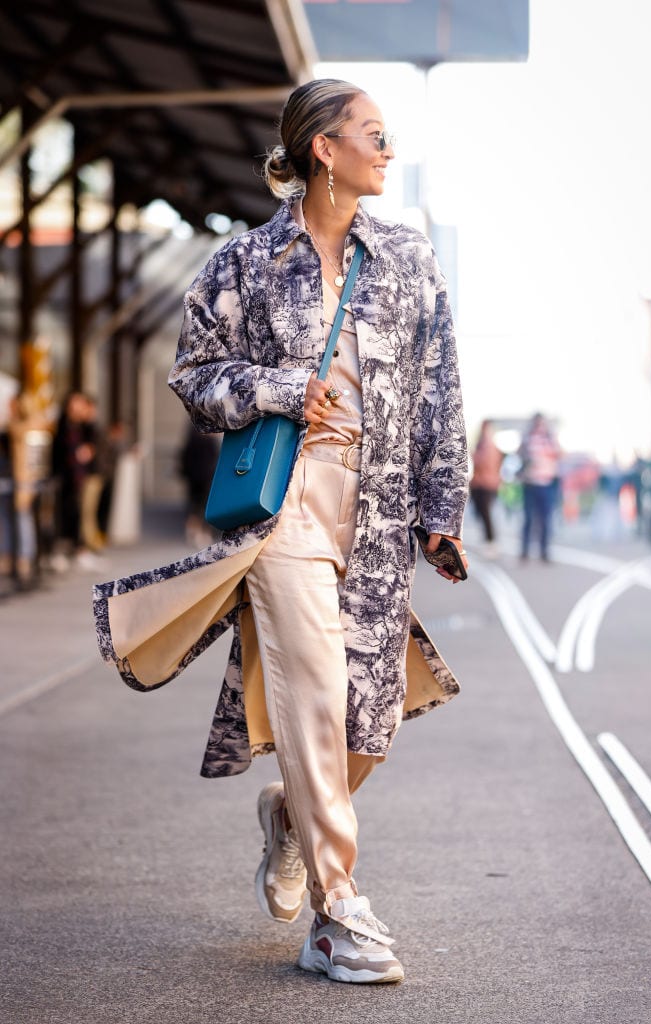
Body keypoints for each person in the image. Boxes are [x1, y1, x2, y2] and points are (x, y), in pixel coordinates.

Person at [93, 79, 468, 985]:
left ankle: (290, 820)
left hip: (376, 511)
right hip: (287, 500)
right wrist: (278, 389)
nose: (388, 150)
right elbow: (195, 375)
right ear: (322, 151)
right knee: (313, 689)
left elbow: (440, 391)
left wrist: (440, 508)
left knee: (367, 724)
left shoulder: (411, 261)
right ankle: (341, 913)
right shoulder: (245, 263)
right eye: (372, 135)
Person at [518, 412, 562, 561]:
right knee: (529, 518)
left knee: (545, 519)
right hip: (530, 483)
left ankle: (544, 550)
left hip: (546, 483)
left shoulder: (550, 439)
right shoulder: (527, 439)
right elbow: (519, 454)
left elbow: (560, 454)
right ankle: (525, 549)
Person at [469, 419, 503, 556]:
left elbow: (483, 462)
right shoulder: (481, 444)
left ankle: (491, 541)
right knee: (481, 514)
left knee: (486, 514)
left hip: (487, 484)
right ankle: (488, 540)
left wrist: (475, 456)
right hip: (479, 483)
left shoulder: (489, 446)